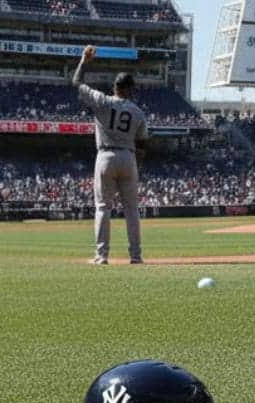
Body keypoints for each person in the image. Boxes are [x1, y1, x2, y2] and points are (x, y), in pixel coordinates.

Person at [73, 45, 148, 265]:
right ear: (131, 90)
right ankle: (136, 256)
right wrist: (136, 167)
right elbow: (142, 144)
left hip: (105, 156)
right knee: (132, 210)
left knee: (103, 208)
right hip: (128, 156)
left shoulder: (102, 100)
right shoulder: (138, 112)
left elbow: (76, 82)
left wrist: (84, 61)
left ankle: (101, 255)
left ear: (115, 86)